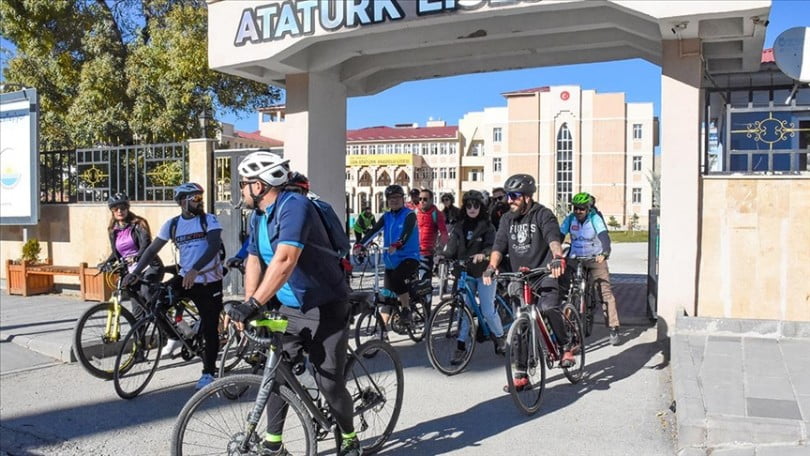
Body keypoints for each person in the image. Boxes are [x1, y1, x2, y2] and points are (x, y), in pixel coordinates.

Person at [226, 151, 360, 456]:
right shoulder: (259, 215)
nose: (241, 190)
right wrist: (251, 304)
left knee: (328, 381)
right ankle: (274, 443)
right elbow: (254, 260)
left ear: (258, 186)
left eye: (243, 183)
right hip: (290, 307)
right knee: (277, 369)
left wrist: (253, 304)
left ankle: (350, 437)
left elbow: (286, 259)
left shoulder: (294, 206)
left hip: (325, 305)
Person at [124, 182, 224, 390]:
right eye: (195, 198)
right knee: (156, 305)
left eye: (200, 197)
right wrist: (134, 274)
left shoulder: (209, 220)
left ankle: (208, 372)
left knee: (210, 325)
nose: (200, 201)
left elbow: (214, 246)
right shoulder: (173, 225)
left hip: (208, 280)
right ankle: (175, 337)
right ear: (181, 202)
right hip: (185, 277)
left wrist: (195, 269)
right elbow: (151, 251)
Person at [482, 173, 573, 391]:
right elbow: (499, 246)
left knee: (549, 307)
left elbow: (553, 238)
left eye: (514, 196)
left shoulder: (542, 214)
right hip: (520, 277)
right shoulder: (506, 219)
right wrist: (491, 267)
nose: (509, 200)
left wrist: (558, 258)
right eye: (507, 196)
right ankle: (521, 374)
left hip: (544, 272)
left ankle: (566, 345)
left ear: (527, 197)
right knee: (521, 321)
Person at [440, 190, 505, 364]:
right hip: (465, 273)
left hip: (485, 272)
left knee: (487, 310)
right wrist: (443, 256)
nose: (472, 208)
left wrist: (483, 254)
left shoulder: (487, 225)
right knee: (464, 310)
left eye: (476, 204)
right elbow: (452, 245)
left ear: (481, 206)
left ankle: (500, 338)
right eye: (468, 205)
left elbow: (493, 246)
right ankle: (461, 347)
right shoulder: (460, 226)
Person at [353, 184, 420, 328]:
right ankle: (381, 333)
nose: (394, 200)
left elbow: (406, 233)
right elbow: (373, 231)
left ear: (403, 199)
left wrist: (398, 243)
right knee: (387, 297)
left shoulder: (409, 214)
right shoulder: (387, 216)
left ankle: (406, 309)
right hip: (391, 261)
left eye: (397, 197)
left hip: (409, 257)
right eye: (390, 198)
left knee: (397, 278)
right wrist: (360, 244)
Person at [560, 192, 621, 345]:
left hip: (595, 257)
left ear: (588, 208)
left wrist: (605, 252)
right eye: (575, 208)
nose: (578, 211)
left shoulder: (595, 218)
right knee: (564, 287)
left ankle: (613, 327)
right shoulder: (570, 219)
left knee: (604, 291)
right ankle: (566, 318)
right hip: (575, 257)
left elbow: (604, 236)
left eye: (581, 209)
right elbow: (559, 235)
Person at [99, 193, 163, 320]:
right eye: (115, 209)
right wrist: (106, 262)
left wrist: (136, 257)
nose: (119, 211)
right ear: (112, 211)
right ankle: (139, 339)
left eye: (122, 208)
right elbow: (117, 251)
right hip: (131, 272)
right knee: (137, 310)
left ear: (127, 208)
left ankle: (164, 318)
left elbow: (147, 246)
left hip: (149, 266)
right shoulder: (113, 229)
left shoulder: (139, 223)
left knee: (146, 291)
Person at [414, 188, 448, 283]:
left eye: (425, 199)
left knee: (425, 283)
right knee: (410, 283)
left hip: (427, 253)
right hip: (412, 252)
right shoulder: (414, 212)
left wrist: (439, 249)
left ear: (431, 200)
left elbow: (444, 233)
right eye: (420, 199)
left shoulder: (436, 214)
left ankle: (427, 297)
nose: (422, 201)